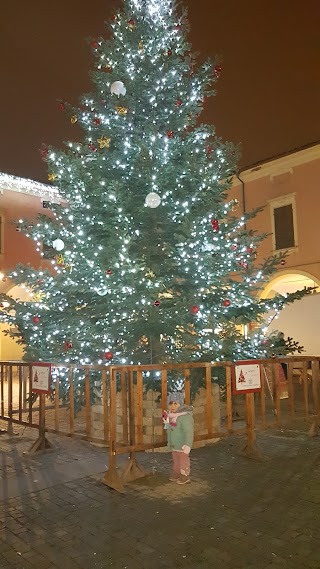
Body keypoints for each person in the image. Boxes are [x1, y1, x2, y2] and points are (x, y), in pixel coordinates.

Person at [163, 392, 194, 485]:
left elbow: (189, 432)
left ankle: (184, 475)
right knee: (176, 460)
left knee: (183, 461)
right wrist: (166, 423)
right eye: (170, 404)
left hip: (182, 444)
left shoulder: (185, 417)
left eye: (175, 404)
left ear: (180, 404)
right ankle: (176, 473)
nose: (172, 406)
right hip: (174, 444)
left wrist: (188, 444)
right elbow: (169, 429)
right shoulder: (171, 416)